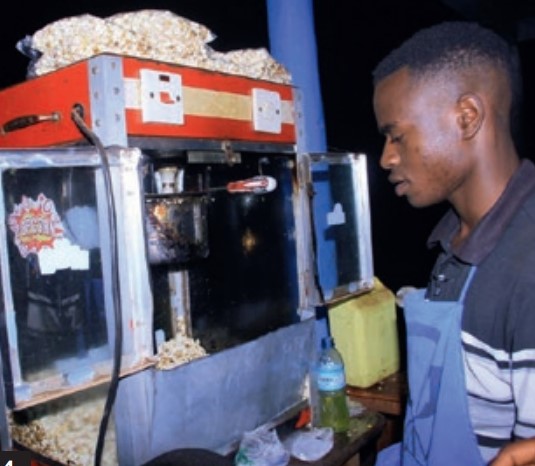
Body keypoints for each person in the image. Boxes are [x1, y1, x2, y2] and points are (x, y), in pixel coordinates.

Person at [371, 21, 535, 465]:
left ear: (467, 117)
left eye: (397, 135)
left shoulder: (528, 264)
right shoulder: (456, 242)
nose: (386, 157)